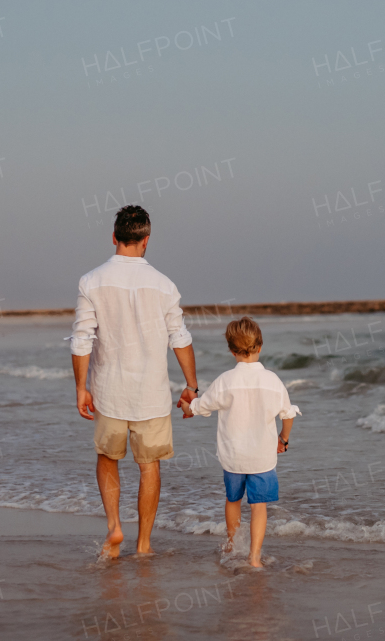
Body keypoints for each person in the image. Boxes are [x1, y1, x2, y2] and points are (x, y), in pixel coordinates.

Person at [69, 205, 200, 559]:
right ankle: (144, 545)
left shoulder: (91, 281)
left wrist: (81, 388)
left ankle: (114, 527)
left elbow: (82, 339)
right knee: (149, 466)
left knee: (107, 458)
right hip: (151, 394)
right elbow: (180, 338)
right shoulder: (163, 284)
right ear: (146, 240)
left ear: (114, 238)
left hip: (108, 390)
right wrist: (192, 387)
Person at [180, 317, 300, 568]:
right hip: (261, 458)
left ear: (231, 350)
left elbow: (200, 407)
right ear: (260, 346)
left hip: (233, 457)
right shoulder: (272, 381)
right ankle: (254, 557)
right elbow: (287, 415)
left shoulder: (225, 381)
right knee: (259, 506)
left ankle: (233, 545)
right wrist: (283, 438)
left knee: (233, 500)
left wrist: (186, 405)